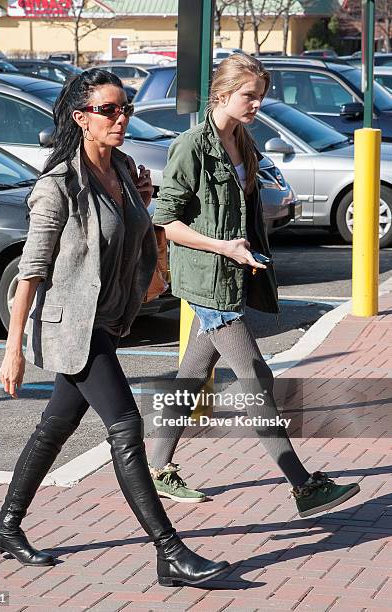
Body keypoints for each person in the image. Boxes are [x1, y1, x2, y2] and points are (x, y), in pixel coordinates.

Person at [0, 70, 229, 587]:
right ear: (81, 119)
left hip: (110, 320)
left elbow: (139, 233)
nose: (121, 118)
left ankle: (5, 526)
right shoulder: (58, 187)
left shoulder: (122, 170)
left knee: (55, 426)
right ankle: (170, 552)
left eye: (126, 110)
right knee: (125, 425)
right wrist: (14, 350)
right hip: (73, 328)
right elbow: (31, 271)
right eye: (109, 110)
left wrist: (142, 205)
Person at [148, 54, 360, 518]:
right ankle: (302, 486)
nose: (257, 105)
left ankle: (156, 468)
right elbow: (166, 221)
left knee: (189, 377)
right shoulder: (191, 146)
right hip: (209, 279)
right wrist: (224, 247)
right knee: (257, 379)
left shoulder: (242, 138)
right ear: (222, 93)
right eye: (249, 96)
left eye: (261, 96)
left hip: (235, 272)